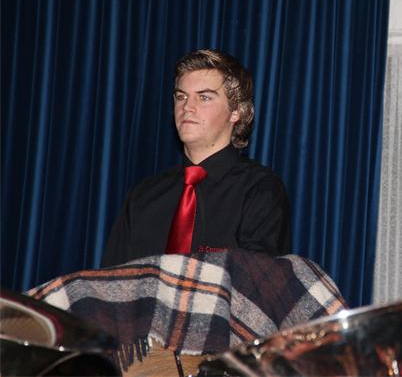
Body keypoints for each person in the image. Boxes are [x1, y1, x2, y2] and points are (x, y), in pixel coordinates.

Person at [102, 49, 290, 267]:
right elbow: (110, 281)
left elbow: (258, 279)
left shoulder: (260, 190)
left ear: (236, 111)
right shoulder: (143, 196)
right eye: (181, 97)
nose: (187, 107)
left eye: (204, 97)